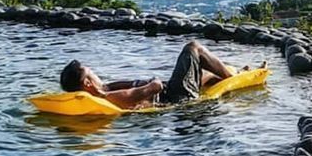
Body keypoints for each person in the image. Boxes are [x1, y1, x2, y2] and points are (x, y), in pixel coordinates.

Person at [58, 40, 237, 110]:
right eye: (92, 72)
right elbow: (154, 88)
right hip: (175, 97)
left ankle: (220, 75)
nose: (96, 74)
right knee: (192, 48)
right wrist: (153, 82)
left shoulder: (106, 89)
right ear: (88, 84)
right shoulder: (109, 96)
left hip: (170, 91)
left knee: (203, 74)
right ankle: (231, 77)